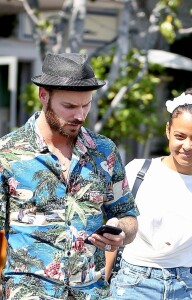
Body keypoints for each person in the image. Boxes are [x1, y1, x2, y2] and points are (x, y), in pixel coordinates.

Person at [0, 52, 139, 300]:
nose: (80, 115)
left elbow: (127, 216)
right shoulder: (7, 154)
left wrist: (120, 233)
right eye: (70, 106)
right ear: (43, 95)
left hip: (91, 293)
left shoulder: (104, 151)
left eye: (86, 105)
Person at [110, 87, 192, 300]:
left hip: (182, 287)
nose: (187, 145)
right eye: (180, 136)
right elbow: (114, 233)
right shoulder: (137, 171)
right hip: (132, 284)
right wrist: (100, 283)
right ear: (168, 131)